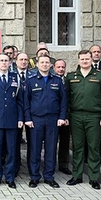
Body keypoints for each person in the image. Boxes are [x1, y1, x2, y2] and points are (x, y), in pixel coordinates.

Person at [65, 50, 101, 190]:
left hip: (94, 117)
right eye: (82, 59)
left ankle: (93, 177)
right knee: (77, 147)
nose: (84, 61)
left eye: (87, 59)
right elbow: (66, 98)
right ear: (78, 61)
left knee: (93, 147)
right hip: (76, 116)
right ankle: (77, 176)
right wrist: (66, 116)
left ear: (92, 60)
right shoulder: (71, 76)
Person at [24, 55, 67, 188]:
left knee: (51, 149)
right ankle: (35, 177)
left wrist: (61, 117)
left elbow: (63, 101)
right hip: (36, 120)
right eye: (42, 62)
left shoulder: (57, 81)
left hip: (53, 119)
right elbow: (26, 102)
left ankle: (49, 176)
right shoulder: (30, 81)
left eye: (47, 62)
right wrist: (28, 119)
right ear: (37, 64)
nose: (44, 64)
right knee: (34, 149)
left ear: (50, 65)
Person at [0, 53, 24, 188]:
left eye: (6, 60)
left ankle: (10, 177)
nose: (4, 63)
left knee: (12, 150)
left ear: (10, 62)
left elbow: (19, 101)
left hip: (12, 120)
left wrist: (20, 118)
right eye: (1, 60)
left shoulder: (15, 77)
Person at [53, 59, 72, 175]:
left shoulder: (69, 80)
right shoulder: (51, 80)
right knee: (52, 142)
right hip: (53, 117)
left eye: (63, 67)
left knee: (65, 141)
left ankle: (63, 164)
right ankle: (50, 164)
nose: (61, 69)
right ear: (54, 68)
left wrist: (66, 116)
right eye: (58, 67)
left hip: (66, 117)